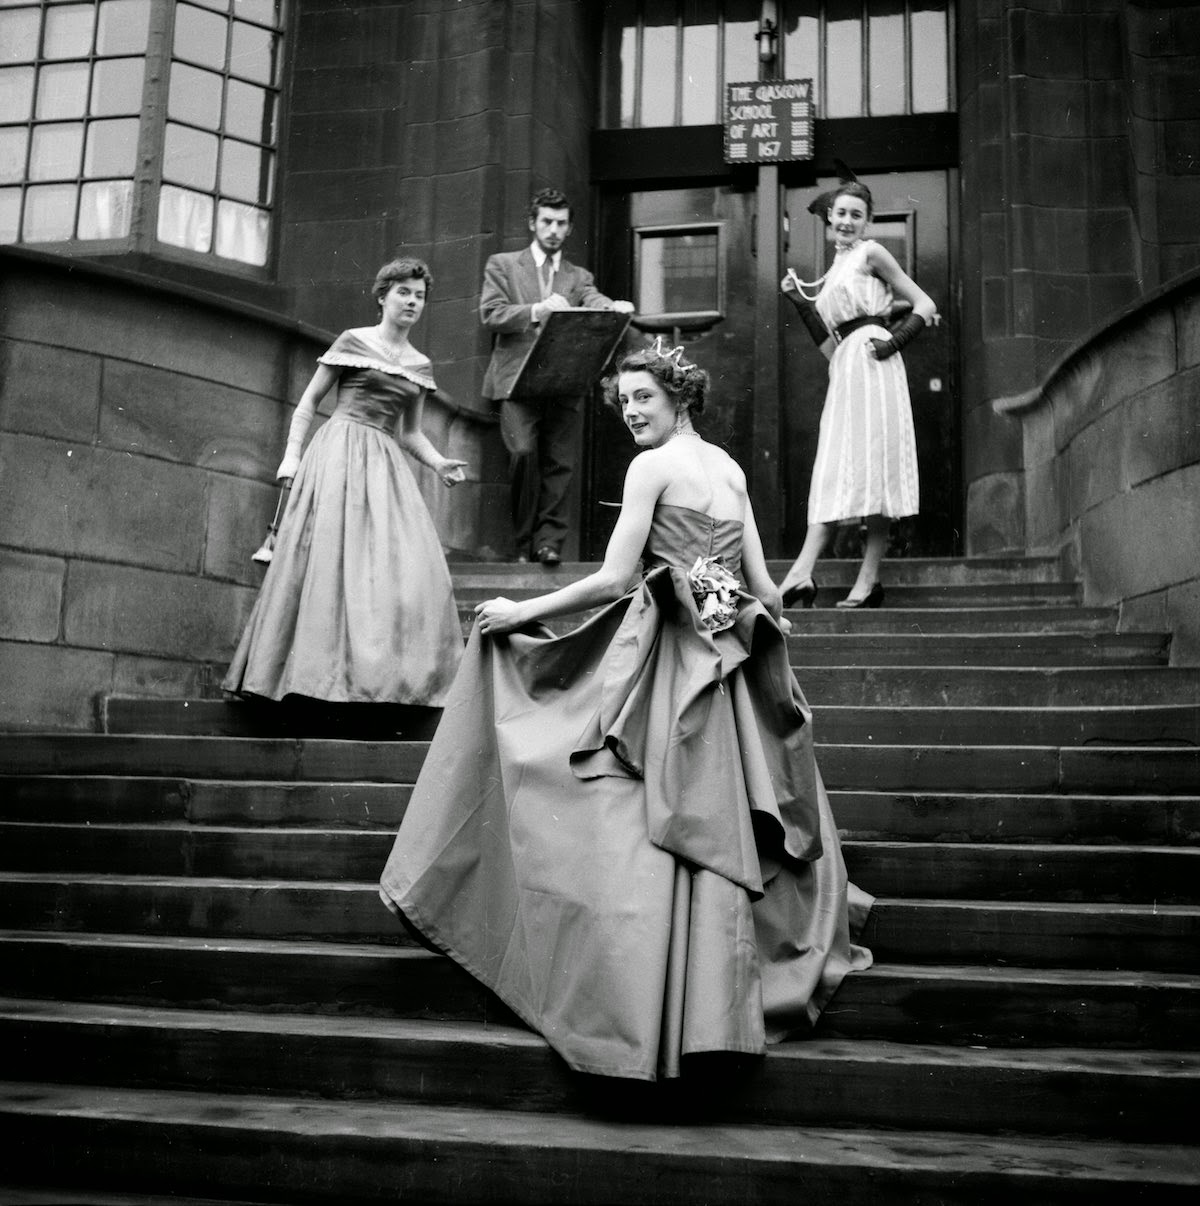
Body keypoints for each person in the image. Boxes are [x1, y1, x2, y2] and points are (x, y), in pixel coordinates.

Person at [380, 340, 872, 1082]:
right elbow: (760, 587)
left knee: (623, 793)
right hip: (723, 649)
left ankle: (638, 994)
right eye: (624, 402)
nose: (631, 412)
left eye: (644, 398)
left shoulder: (651, 468)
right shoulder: (729, 470)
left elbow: (615, 578)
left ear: (680, 398)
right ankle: (705, 986)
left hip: (676, 655)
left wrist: (523, 609)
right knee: (713, 809)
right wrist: (769, 631)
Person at [223, 258, 467, 707]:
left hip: (384, 465)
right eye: (404, 293)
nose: (412, 302)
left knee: (402, 568)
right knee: (327, 561)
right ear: (382, 296)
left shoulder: (420, 363)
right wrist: (291, 459)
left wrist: (438, 463)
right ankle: (308, 682)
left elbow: (410, 432)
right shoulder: (354, 341)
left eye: (420, 296)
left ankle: (373, 684)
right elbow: (309, 402)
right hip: (337, 451)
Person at [778, 181, 937, 609]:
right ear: (829, 219)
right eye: (840, 213)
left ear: (866, 221)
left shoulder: (872, 254)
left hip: (875, 364)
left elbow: (924, 303)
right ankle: (801, 574)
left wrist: (892, 343)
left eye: (855, 215)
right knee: (836, 467)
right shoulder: (832, 274)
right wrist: (800, 304)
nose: (846, 221)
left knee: (874, 467)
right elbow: (831, 346)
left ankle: (864, 581)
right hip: (845, 368)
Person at [480, 187, 634, 565]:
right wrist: (536, 309)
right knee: (522, 454)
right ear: (533, 223)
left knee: (560, 465)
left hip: (564, 380)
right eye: (546, 221)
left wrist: (612, 306)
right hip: (516, 381)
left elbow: (592, 298)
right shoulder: (502, 265)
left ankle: (548, 543)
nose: (553, 229)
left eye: (561, 223)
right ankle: (520, 544)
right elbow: (492, 313)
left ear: (568, 229)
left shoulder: (577, 275)